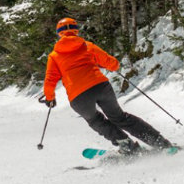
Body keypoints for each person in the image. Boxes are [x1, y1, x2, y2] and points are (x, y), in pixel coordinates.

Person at [40, 17, 173, 153]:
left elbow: (50, 80)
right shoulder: (87, 45)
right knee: (119, 117)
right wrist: (113, 66)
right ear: (76, 31)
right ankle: (159, 142)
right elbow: (112, 63)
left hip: (78, 96)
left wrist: (50, 98)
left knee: (95, 120)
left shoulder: (54, 56)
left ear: (59, 33)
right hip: (100, 86)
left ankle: (127, 146)